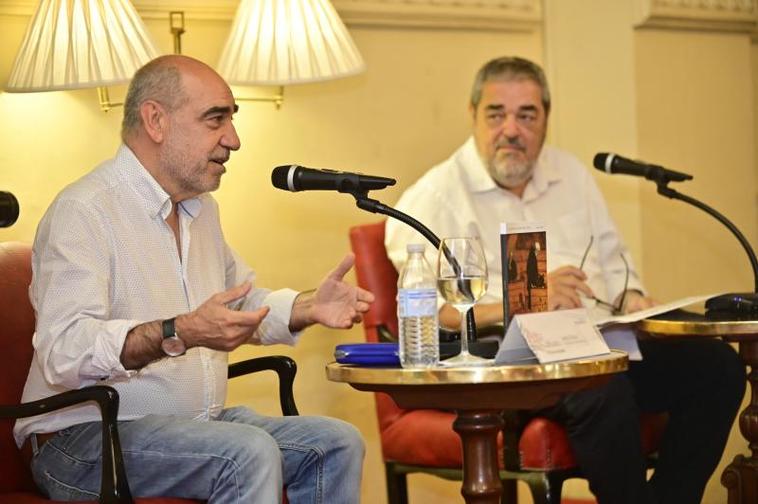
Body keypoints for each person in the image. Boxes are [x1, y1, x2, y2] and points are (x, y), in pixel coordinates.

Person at [14, 55, 374, 504]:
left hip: (197, 429)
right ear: (156, 120)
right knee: (246, 452)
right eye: (215, 119)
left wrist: (305, 307)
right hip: (83, 440)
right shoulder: (84, 211)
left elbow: (235, 307)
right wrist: (177, 332)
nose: (234, 140)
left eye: (231, 120)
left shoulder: (200, 210)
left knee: (335, 442)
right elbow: (65, 350)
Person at [385, 56, 745, 504]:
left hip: (600, 342)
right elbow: (432, 315)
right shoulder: (435, 196)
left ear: (546, 120)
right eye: (496, 114)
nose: (511, 130)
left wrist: (632, 299)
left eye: (527, 115)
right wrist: (529, 302)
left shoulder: (571, 175)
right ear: (473, 115)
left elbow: (617, 268)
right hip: (508, 361)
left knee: (717, 367)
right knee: (599, 387)